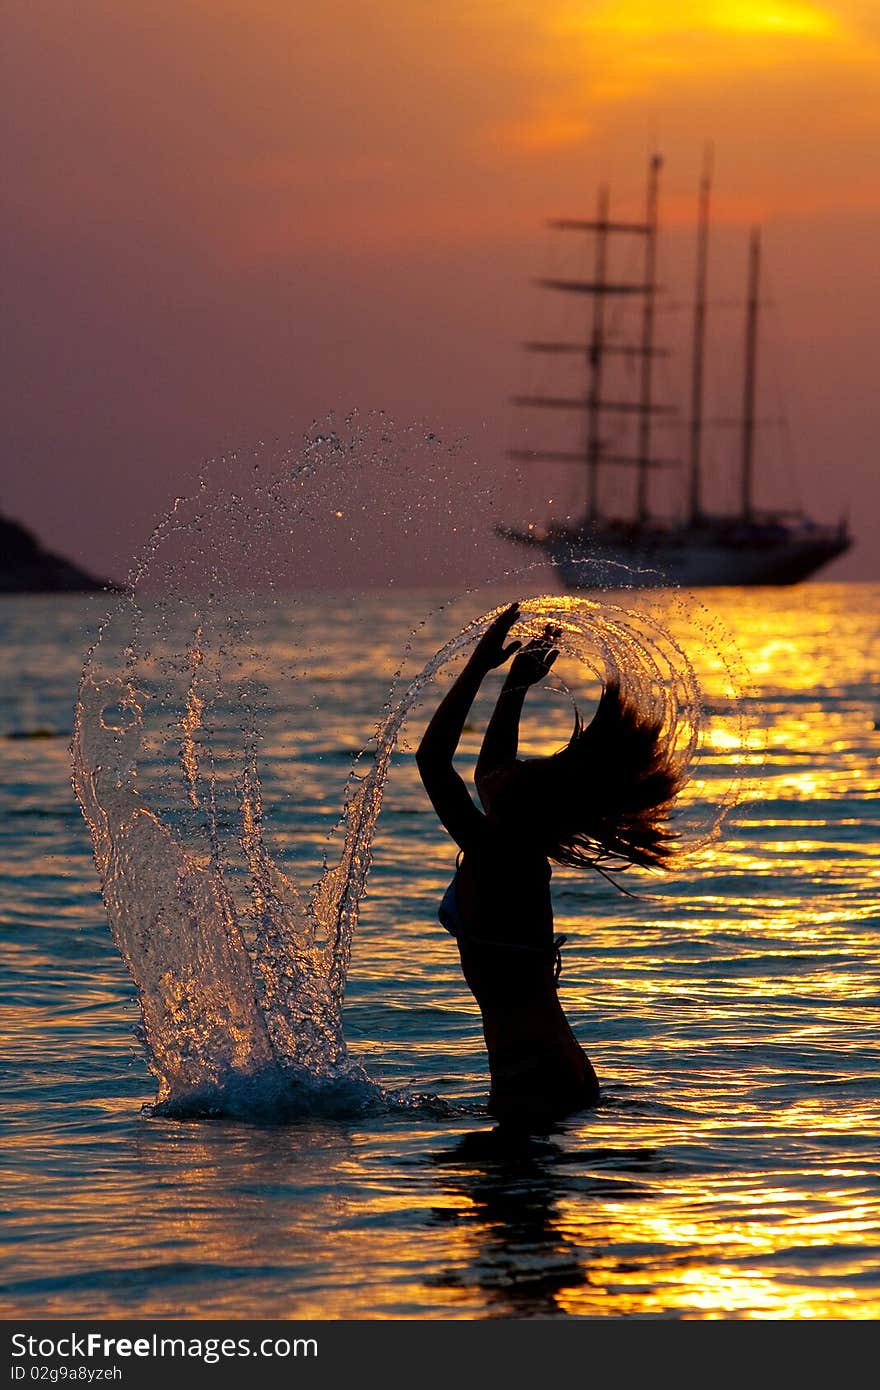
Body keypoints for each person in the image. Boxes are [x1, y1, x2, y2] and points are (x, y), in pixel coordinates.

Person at [416, 601, 685, 1131]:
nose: (503, 769)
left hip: (537, 1078)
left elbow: (433, 762)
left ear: (519, 806)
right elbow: (489, 766)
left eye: (521, 770)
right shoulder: (510, 845)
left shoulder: (503, 852)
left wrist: (477, 667)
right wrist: (515, 680)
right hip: (544, 1073)